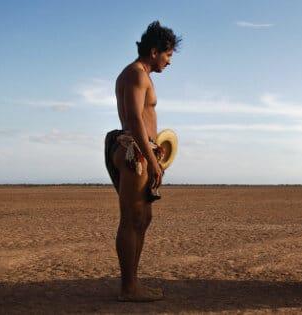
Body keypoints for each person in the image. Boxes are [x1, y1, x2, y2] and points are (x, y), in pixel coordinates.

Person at [104, 21, 180, 302]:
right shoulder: (137, 74)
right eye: (168, 55)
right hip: (135, 152)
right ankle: (129, 287)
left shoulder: (137, 74)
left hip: (140, 150)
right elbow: (136, 119)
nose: (169, 61)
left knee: (143, 218)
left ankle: (132, 282)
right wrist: (152, 160)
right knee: (131, 219)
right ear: (154, 51)